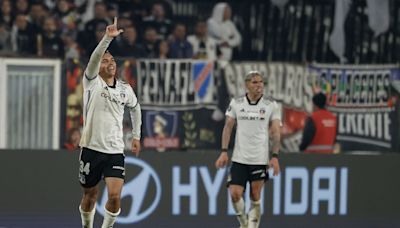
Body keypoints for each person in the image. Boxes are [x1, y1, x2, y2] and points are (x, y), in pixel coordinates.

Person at [78, 17, 142, 228]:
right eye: (105, 60)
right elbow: (95, 58)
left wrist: (136, 135)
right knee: (90, 195)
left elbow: (135, 107)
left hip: (115, 150)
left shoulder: (125, 89)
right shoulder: (91, 82)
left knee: (115, 196)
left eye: (113, 60)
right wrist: (107, 38)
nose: (110, 63)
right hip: (90, 147)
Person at [215, 71, 281, 228]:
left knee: (255, 195)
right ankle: (244, 223)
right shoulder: (237, 103)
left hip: (259, 158)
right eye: (255, 82)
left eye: (261, 82)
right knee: (235, 194)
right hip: (239, 158)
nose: (259, 85)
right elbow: (228, 127)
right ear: (246, 85)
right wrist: (224, 151)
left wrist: (275, 156)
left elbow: (276, 132)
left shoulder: (270, 104)